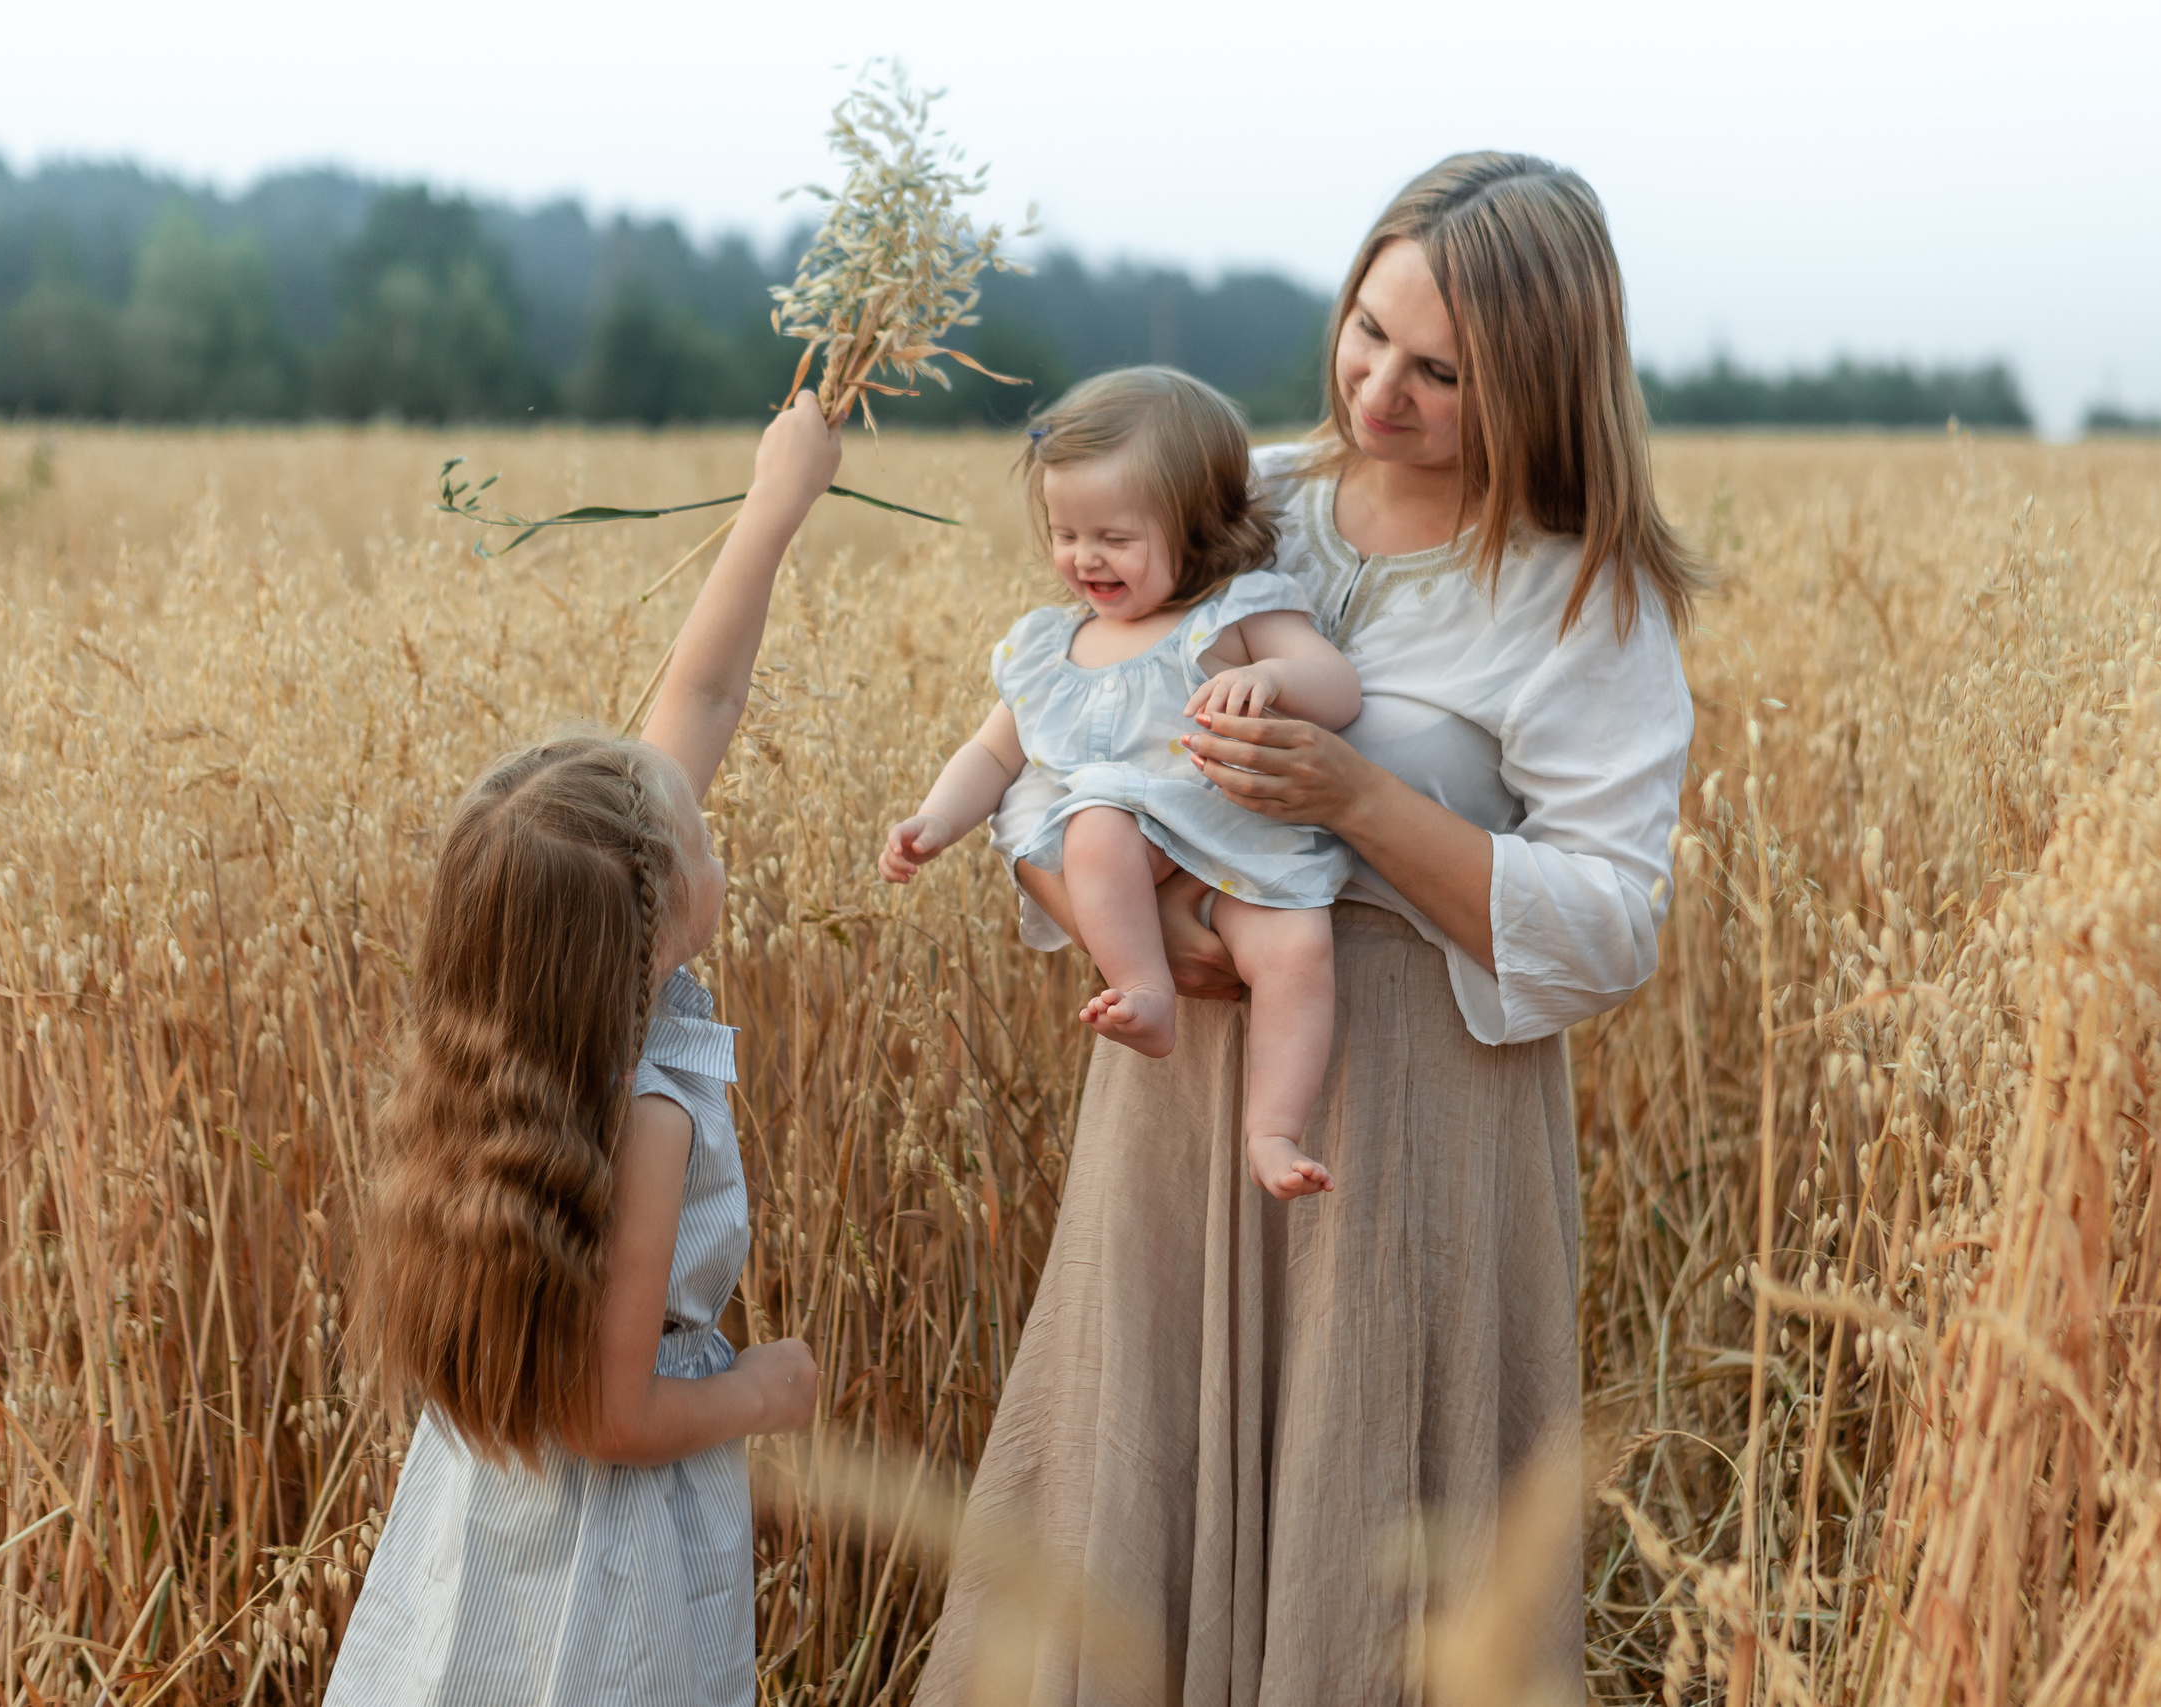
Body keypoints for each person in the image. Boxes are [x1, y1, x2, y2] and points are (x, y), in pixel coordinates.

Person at [918, 154, 1710, 1705]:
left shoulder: (1582, 599)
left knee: (1373, 1564)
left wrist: (1354, 797)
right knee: (1128, 1503)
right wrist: (1141, 929)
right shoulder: (1240, 497)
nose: (1379, 390)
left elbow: (1613, 928)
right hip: (1175, 1102)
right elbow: (1046, 753)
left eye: (1439, 372)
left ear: (1542, 385)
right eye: (1364, 333)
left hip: (1412, 1140)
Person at [324, 395, 844, 1707]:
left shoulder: (526, 1017)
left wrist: (773, 507)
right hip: (611, 1540)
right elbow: (610, 1415)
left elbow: (700, 693)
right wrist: (760, 1389)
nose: (714, 842)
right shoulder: (650, 1105)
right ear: (650, 919)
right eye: (705, 846)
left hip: (481, 1508)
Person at [880, 367, 1360, 1201]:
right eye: (1066, 533)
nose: (1083, 557)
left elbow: (1339, 687)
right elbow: (993, 758)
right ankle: (1144, 985)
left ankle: (1274, 1127)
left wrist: (1276, 678)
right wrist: (933, 821)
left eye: (1114, 536)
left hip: (1236, 845)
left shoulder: (1237, 615)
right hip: (1130, 849)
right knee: (1094, 820)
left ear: (1199, 526)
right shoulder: (1049, 650)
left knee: (1298, 947)